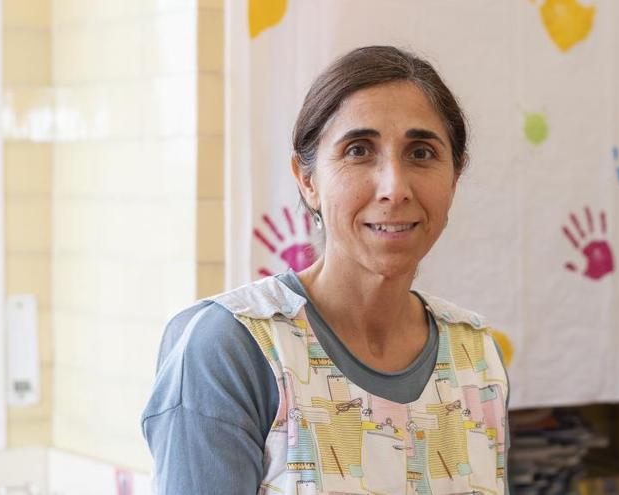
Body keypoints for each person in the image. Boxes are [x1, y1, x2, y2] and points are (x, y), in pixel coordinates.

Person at [141, 46, 510, 494]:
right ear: (308, 180)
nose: (394, 188)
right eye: (358, 150)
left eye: (421, 153)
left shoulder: (476, 355)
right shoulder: (232, 349)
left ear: (454, 177)